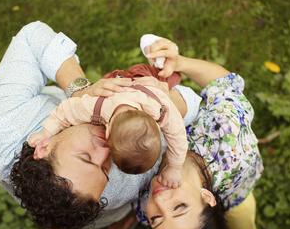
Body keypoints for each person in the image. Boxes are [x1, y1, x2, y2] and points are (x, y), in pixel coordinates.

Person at [0, 21, 202, 229]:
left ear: (43, 147)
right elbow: (183, 117)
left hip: (93, 205)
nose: (106, 151)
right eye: (104, 170)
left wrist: (79, 90)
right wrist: (160, 99)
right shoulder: (125, 180)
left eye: (85, 156)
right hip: (111, 208)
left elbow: (33, 37)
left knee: (54, 215)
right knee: (117, 212)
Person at [134, 39, 264, 229]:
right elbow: (223, 84)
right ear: (207, 197)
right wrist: (180, 62)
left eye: (156, 219)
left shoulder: (143, 199)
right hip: (238, 182)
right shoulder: (228, 132)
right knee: (242, 210)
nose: (160, 201)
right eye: (179, 207)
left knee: (239, 219)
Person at [28, 63, 187, 187]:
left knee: (167, 77)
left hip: (144, 82)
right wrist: (45, 133)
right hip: (125, 83)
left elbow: (178, 136)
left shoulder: (160, 107)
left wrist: (175, 168)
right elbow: (65, 111)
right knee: (164, 76)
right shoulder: (98, 105)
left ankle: (163, 63)